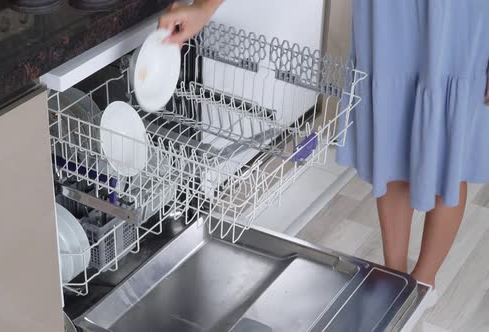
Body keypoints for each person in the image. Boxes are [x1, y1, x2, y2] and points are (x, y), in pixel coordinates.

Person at [159, 0, 489, 302]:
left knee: (450, 147)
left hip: (458, 15)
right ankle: (396, 276)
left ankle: (424, 283)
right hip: (389, 12)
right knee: (390, 137)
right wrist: (203, 8)